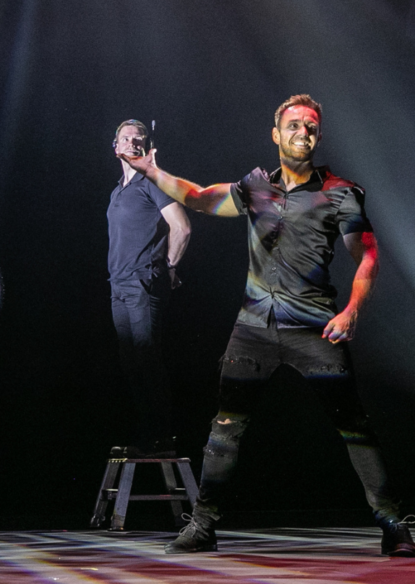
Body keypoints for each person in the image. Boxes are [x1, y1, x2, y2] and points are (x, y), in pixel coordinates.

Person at [121, 94, 414, 557]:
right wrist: (152, 171)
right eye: (294, 125)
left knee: (353, 425)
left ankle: (392, 523)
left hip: (315, 326)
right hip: (254, 327)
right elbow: (199, 199)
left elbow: (368, 255)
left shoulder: (340, 191)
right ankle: (203, 525)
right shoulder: (255, 186)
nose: (303, 132)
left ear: (318, 136)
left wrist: (352, 310)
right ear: (276, 134)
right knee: (226, 426)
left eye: (310, 126)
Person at [108, 120, 191, 458]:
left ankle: (161, 437)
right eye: (125, 138)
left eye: (138, 139)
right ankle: (147, 435)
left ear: (146, 147)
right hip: (119, 285)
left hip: (143, 283)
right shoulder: (118, 190)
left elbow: (182, 228)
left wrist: (169, 267)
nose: (132, 142)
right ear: (115, 147)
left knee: (146, 358)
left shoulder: (152, 182)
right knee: (131, 362)